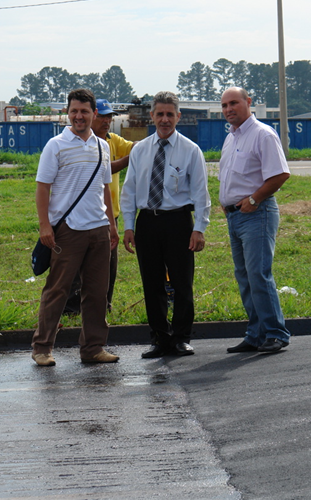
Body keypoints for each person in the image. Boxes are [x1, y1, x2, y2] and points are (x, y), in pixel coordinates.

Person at [31, 88, 120, 366]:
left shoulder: (102, 146)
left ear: (94, 114)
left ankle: (93, 348)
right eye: (74, 111)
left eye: (84, 111)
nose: (78, 116)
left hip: (99, 229)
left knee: (97, 292)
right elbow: (42, 188)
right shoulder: (55, 145)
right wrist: (45, 226)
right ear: (67, 114)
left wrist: (112, 226)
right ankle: (42, 348)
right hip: (68, 229)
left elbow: (105, 188)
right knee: (57, 289)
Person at [120, 91, 211, 358]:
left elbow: (201, 193)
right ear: (152, 116)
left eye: (170, 114)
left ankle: (181, 338)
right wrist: (128, 226)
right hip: (148, 222)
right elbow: (129, 191)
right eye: (159, 114)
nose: (164, 119)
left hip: (179, 222)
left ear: (178, 117)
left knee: (182, 283)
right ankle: (160, 338)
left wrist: (199, 228)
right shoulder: (140, 150)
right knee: (152, 283)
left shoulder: (191, 151)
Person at [219, 87, 291, 353]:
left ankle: (276, 332)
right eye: (224, 105)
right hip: (235, 216)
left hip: (256, 214)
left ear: (249, 102)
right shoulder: (230, 138)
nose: (228, 109)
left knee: (259, 274)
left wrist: (253, 199)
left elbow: (280, 174)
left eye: (234, 103)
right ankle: (256, 333)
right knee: (245, 277)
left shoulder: (263, 135)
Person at [63, 98, 134, 314]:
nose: (106, 120)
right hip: (82, 214)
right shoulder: (83, 142)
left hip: (109, 215)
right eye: (102, 116)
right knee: (76, 264)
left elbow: (135, 148)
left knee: (108, 265)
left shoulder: (113, 140)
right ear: (93, 115)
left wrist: (149, 144)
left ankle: (104, 304)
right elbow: (103, 168)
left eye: (109, 116)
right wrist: (128, 160)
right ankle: (72, 307)